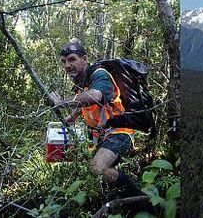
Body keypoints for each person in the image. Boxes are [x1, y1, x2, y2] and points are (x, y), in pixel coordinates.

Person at [48, 41, 152, 213]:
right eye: (64, 61)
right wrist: (71, 118)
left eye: (72, 59)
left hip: (119, 133)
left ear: (84, 59)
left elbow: (95, 96)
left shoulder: (99, 75)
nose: (67, 65)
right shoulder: (81, 83)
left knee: (98, 168)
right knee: (92, 172)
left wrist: (61, 102)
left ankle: (143, 205)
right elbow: (84, 105)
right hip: (102, 136)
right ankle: (121, 202)